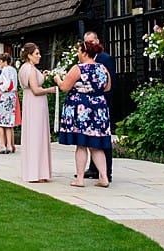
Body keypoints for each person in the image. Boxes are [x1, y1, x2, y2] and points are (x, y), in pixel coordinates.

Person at [53, 40, 111, 187]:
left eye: (79, 51)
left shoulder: (78, 68)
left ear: (85, 53)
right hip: (99, 108)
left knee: (81, 144)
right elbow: (107, 87)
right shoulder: (102, 68)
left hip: (82, 109)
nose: (78, 54)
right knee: (96, 145)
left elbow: (65, 87)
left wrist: (57, 79)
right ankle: (104, 177)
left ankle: (79, 179)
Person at [18, 43, 56, 182]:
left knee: (33, 135)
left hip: (29, 103)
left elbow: (31, 85)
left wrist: (43, 76)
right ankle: (37, 173)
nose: (39, 56)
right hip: (36, 104)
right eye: (36, 54)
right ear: (29, 55)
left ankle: (35, 171)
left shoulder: (24, 68)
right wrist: (50, 90)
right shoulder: (31, 69)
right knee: (37, 136)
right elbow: (35, 90)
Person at [82, 31, 115, 182]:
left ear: (97, 41)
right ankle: (93, 168)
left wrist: (105, 102)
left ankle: (107, 171)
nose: (88, 45)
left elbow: (110, 82)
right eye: (86, 42)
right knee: (91, 136)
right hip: (88, 105)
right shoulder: (85, 58)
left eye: (91, 42)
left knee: (103, 137)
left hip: (102, 103)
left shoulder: (105, 59)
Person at [0, 53, 18, 154]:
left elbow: (7, 84)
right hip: (12, 96)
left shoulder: (5, 70)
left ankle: (2, 145)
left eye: (0, 62)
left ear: (3, 61)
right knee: (8, 122)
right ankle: (9, 145)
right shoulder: (13, 70)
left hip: (5, 96)